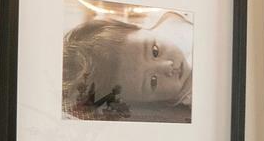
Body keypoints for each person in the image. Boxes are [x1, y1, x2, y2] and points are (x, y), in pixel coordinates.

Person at [62, 7, 193, 121]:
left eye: (155, 51)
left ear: (138, 27)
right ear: (147, 103)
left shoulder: (168, 18)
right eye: (153, 81)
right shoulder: (192, 95)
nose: (167, 66)